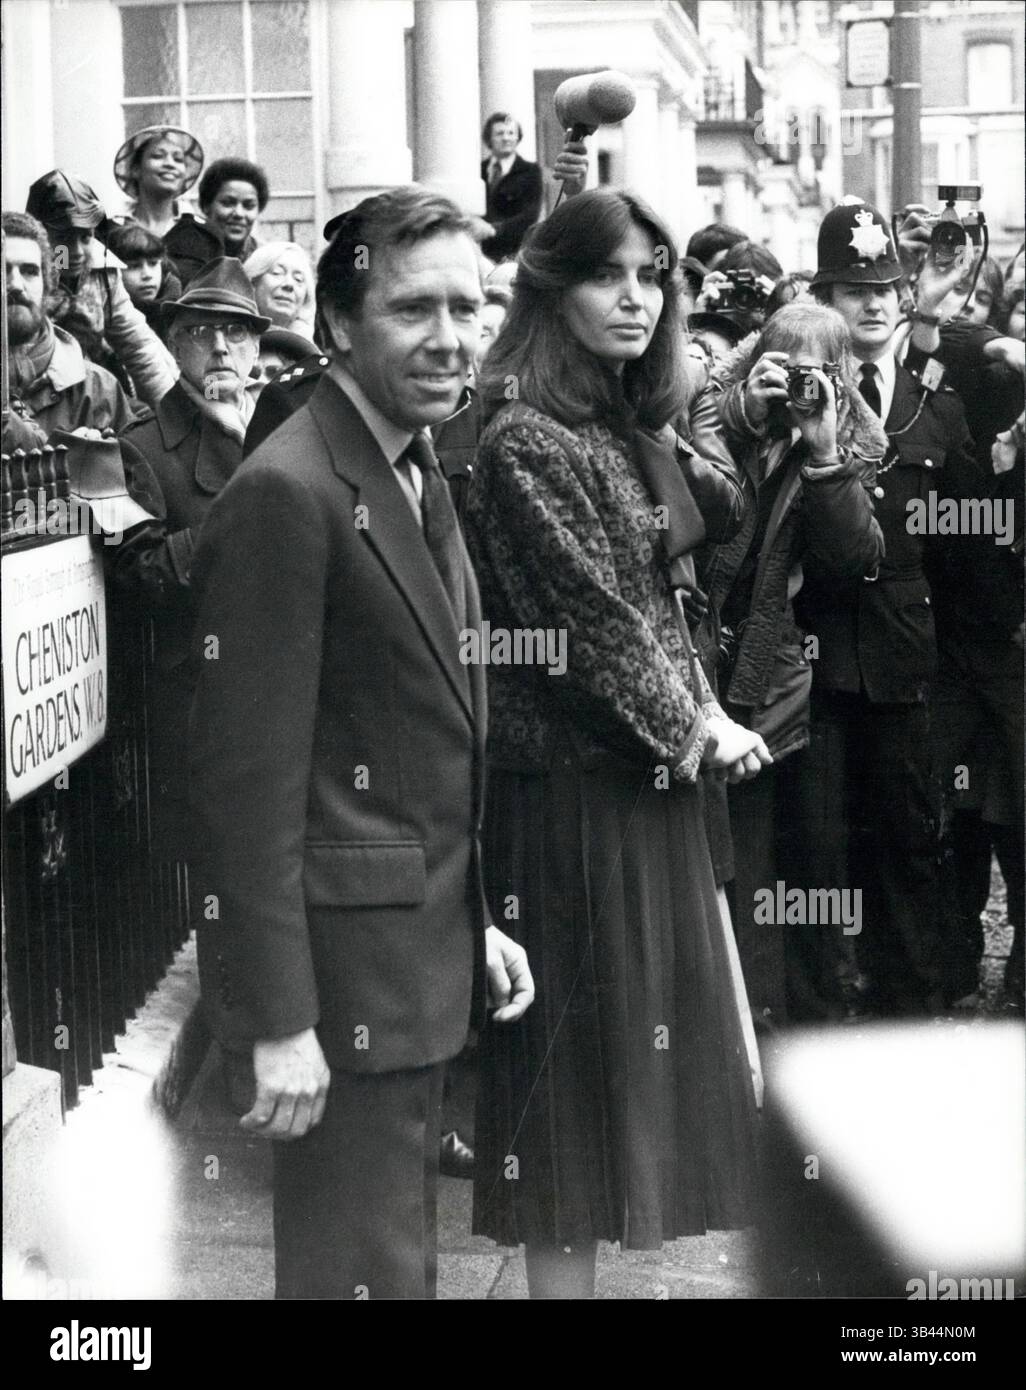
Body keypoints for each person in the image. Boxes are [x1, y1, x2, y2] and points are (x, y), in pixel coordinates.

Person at [187, 186, 533, 1300]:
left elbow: (416, 737)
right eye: (414, 310)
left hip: (411, 964)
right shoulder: (290, 493)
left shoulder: (410, 462)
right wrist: (279, 1020)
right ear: (339, 324)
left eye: (468, 308)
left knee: (392, 1272)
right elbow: (250, 787)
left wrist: (471, 920)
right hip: (339, 1000)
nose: (450, 338)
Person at [466, 188, 769, 1298]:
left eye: (653, 276)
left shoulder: (610, 429)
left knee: (625, 1109)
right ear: (553, 290)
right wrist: (697, 727)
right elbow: (589, 629)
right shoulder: (522, 441)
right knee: (566, 1137)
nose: (637, 297)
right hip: (570, 812)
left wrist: (706, 715)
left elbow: (659, 606)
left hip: (641, 796)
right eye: (610, 275)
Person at [797, 200, 1002, 1017]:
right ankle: (814, 1024)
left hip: (907, 668)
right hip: (810, 667)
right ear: (825, 300)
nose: (875, 304)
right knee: (813, 859)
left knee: (907, 850)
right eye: (854, 290)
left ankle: (904, 1017)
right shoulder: (791, 394)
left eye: (886, 287)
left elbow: (969, 549)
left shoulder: (934, 405)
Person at [696, 303, 886, 1026]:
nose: (801, 386)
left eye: (819, 373)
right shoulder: (717, 414)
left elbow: (855, 558)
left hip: (773, 683)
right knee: (724, 864)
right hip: (699, 668)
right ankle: (731, 1023)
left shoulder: (843, 446)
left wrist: (825, 455)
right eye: (788, 368)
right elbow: (695, 503)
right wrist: (745, 415)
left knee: (794, 868)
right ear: (756, 363)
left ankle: (793, 1023)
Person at [113, 258, 269, 866]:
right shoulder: (142, 447)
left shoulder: (286, 428)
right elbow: (140, 574)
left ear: (257, 347)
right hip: (206, 705)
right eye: (203, 332)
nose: (222, 348)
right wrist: (245, 520)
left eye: (237, 333)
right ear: (176, 343)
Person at [25, 170, 177, 408]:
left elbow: (138, 345)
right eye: (63, 238)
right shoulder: (19, 276)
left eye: (85, 237)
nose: (76, 251)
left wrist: (171, 415)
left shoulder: (103, 272)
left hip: (90, 388)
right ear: (38, 236)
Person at [3, 211, 135, 439]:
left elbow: (133, 471)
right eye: (2, 270)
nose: (15, 285)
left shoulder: (99, 391)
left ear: (47, 284)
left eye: (30, 271)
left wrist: (90, 464)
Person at [113, 124, 205, 239]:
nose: (170, 164)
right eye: (158, 156)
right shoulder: (108, 233)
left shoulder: (205, 234)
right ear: (136, 169)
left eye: (178, 159)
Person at [102, 221, 182, 342]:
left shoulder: (181, 312)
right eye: (134, 266)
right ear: (113, 271)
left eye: (153, 263)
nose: (147, 275)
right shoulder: (103, 318)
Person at [480, 112, 542, 261]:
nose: (506, 138)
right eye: (500, 133)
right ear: (489, 138)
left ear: (517, 137)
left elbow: (530, 215)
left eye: (511, 133)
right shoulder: (479, 170)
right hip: (481, 251)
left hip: (513, 251)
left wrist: (494, 229)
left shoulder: (530, 171)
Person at [196, 157, 268, 261]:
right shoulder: (186, 255)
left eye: (248, 206)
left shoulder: (266, 260)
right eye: (227, 203)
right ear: (206, 206)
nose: (239, 213)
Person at [243, 241, 316, 337]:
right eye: (277, 273)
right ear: (253, 282)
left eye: (298, 279)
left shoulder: (311, 348)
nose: (289, 284)